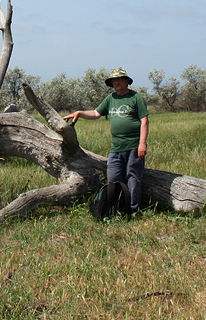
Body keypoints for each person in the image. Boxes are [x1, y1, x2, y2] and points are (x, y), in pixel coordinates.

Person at [64, 67, 149, 213]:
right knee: (113, 178)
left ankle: (133, 210)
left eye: (119, 79)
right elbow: (96, 113)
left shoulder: (136, 98)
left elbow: (144, 121)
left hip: (134, 146)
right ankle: (116, 207)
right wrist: (80, 113)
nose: (116, 83)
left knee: (133, 178)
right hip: (116, 148)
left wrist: (142, 143)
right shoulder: (111, 99)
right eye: (114, 80)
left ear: (126, 81)